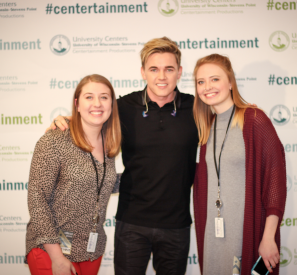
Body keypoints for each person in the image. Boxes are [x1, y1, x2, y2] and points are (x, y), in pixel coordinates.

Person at [47, 37, 199, 275]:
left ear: (179, 72)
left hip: (176, 225)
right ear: (142, 72)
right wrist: (65, 120)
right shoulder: (124, 107)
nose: (161, 76)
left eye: (169, 69)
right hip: (132, 223)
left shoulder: (197, 108)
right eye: (154, 69)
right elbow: (92, 115)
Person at [192, 54, 286, 275]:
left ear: (231, 82)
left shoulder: (254, 119)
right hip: (214, 235)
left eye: (215, 79)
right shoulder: (207, 126)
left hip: (247, 234)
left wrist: (268, 237)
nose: (207, 87)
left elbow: (275, 180)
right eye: (201, 82)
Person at [25, 74, 121, 275]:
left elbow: (100, 184)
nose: (97, 103)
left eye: (104, 97)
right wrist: (57, 257)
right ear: (77, 104)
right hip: (50, 249)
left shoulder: (109, 146)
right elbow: (37, 198)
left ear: (112, 104)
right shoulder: (55, 140)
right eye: (89, 97)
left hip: (90, 251)